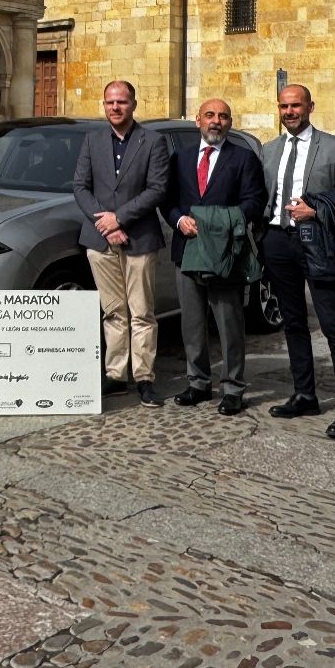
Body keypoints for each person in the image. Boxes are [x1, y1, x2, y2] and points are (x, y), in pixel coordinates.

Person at [260, 84, 335, 439]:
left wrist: (316, 209)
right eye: (284, 106)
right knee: (292, 322)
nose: (290, 112)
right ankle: (304, 394)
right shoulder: (269, 150)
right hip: (278, 241)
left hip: (317, 241)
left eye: (296, 106)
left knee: (332, 323)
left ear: (310, 107)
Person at [71, 80, 170, 409]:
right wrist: (105, 223)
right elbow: (80, 186)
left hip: (139, 238)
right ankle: (115, 375)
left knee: (142, 312)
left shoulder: (153, 141)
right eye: (110, 102)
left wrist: (120, 219)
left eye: (122, 102)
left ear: (133, 104)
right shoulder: (92, 140)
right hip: (100, 240)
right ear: (104, 105)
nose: (115, 107)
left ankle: (144, 378)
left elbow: (157, 189)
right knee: (113, 311)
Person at [165, 98, 267, 416]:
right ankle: (198, 383)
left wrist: (220, 222)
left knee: (229, 322)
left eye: (223, 116)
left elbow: (255, 200)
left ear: (230, 123)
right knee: (192, 322)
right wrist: (179, 220)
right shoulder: (181, 158)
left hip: (226, 253)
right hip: (188, 248)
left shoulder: (243, 158)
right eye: (209, 115)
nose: (216, 121)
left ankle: (233, 388)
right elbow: (168, 200)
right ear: (198, 120)